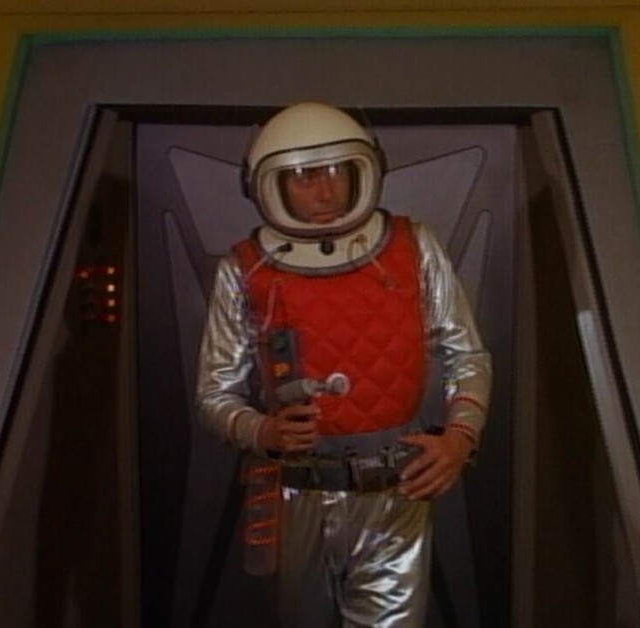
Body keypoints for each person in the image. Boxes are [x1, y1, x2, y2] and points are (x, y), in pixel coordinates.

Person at [196, 102, 491, 627]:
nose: (326, 191)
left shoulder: (413, 248)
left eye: (338, 171)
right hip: (294, 490)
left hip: (394, 486)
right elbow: (214, 393)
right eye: (305, 176)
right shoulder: (246, 270)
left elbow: (465, 354)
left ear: (367, 171)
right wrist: (262, 430)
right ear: (268, 185)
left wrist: (460, 438)